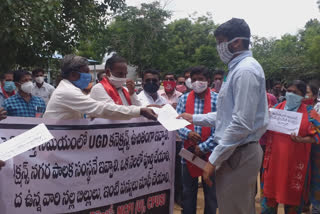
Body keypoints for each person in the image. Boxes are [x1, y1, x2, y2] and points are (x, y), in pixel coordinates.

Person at [178, 18, 268, 214]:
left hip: (239, 152)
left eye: (220, 42)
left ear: (235, 42)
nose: (219, 48)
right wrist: (193, 118)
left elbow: (241, 123)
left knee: (235, 209)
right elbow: (226, 115)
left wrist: (213, 159)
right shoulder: (237, 69)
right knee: (231, 207)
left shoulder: (245, 71)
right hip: (235, 152)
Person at [260, 80, 320, 214]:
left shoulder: (310, 113)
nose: (291, 94)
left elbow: (318, 135)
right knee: (268, 205)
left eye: (295, 92)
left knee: (292, 206)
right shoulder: (275, 109)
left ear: (302, 95)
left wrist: (302, 139)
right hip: (273, 165)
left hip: (295, 167)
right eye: (289, 91)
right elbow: (262, 127)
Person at [43, 54, 157, 120]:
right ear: (73, 74)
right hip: (57, 144)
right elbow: (101, 109)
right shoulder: (67, 91)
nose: (89, 77)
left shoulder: (72, 90)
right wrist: (140, 110)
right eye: (86, 72)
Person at [176, 66, 218, 214]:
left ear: (208, 81)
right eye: (193, 80)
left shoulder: (217, 99)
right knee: (188, 193)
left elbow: (221, 128)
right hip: (188, 154)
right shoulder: (184, 99)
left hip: (212, 155)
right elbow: (177, 122)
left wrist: (204, 147)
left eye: (201, 79)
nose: (197, 82)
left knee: (211, 195)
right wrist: (187, 134)